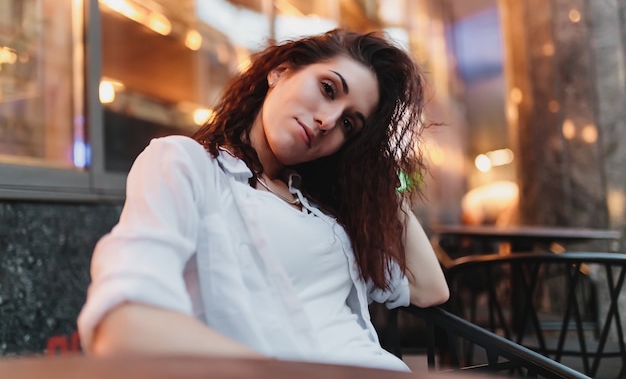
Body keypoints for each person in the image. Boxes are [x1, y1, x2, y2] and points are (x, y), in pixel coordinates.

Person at [77, 29, 449, 371]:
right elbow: (124, 322)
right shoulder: (189, 165)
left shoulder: (323, 216)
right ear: (280, 72)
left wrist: (379, 172)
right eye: (328, 89)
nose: (329, 120)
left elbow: (430, 288)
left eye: (349, 125)